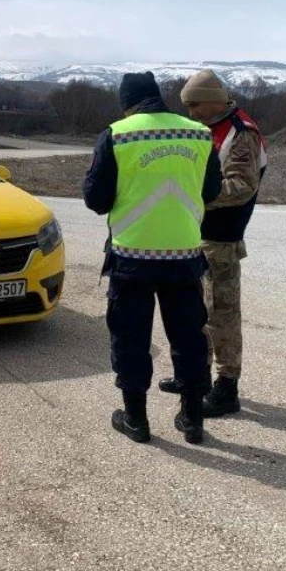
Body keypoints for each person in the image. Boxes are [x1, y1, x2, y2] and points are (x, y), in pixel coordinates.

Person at [83, 71, 222, 444]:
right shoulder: (198, 133)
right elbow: (211, 190)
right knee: (189, 338)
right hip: (184, 256)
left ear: (126, 103)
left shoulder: (118, 134)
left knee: (131, 338)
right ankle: (192, 419)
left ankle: (136, 420)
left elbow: (95, 201)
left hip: (132, 259)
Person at [158, 69, 267, 416]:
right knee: (195, 314)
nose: (191, 112)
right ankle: (195, 375)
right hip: (196, 235)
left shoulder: (240, 132)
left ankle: (226, 386)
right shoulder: (208, 128)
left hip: (221, 237)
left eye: (195, 105)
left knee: (222, 316)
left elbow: (242, 186)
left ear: (213, 99)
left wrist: (196, 196)